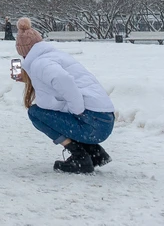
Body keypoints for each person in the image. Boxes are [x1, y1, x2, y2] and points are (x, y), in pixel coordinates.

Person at [13, 17, 115, 174]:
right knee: (57, 110)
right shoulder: (55, 56)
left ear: (23, 52)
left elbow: (63, 80)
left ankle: (80, 157)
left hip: (93, 122)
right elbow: (62, 85)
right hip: (105, 118)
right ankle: (94, 153)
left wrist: (77, 110)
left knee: (36, 113)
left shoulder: (40, 64)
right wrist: (30, 78)